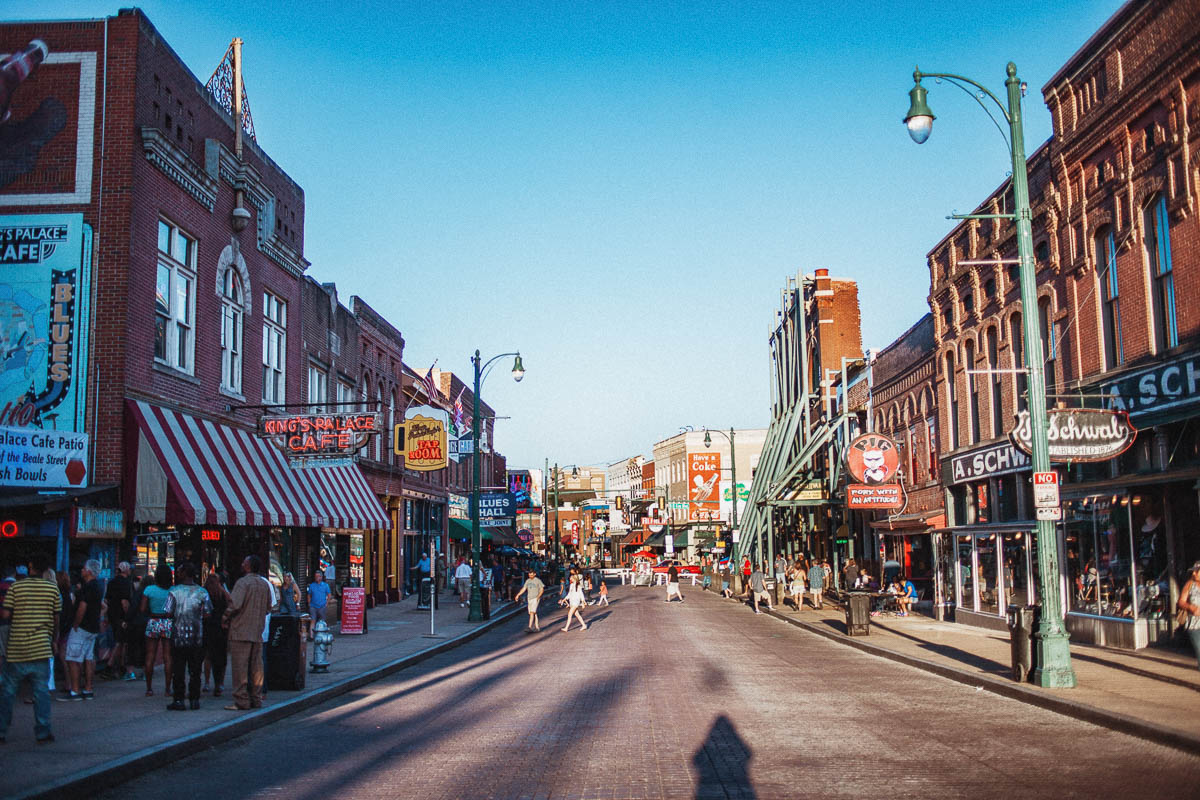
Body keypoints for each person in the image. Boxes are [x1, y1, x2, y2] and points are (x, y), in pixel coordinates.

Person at [0, 553, 61, 744]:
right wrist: (54, 640)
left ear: (31, 567)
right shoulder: (52, 588)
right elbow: (56, 618)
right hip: (41, 647)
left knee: (8, 691)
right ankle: (43, 732)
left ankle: (1, 731)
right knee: (41, 691)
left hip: (17, 647)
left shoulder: (16, 587)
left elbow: (5, 613)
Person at [223, 556, 272, 711]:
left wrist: (225, 617)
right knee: (256, 667)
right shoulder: (264, 584)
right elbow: (269, 607)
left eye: (244, 562)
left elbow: (234, 604)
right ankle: (256, 699)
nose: (242, 564)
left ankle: (241, 701)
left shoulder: (243, 583)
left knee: (240, 668)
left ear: (248, 566)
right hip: (257, 630)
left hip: (241, 631)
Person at [164, 563, 212, 710]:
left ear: (184, 573)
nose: (177, 574)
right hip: (196, 636)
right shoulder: (202, 592)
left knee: (178, 670)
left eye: (179, 571)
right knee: (195, 670)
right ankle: (194, 699)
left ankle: (179, 699)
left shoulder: (174, 591)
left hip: (178, 636)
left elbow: (168, 611)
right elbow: (208, 613)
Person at [61, 560, 102, 702]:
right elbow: (101, 606)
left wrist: (75, 624)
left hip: (82, 627)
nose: (82, 570)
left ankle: (75, 690)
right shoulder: (98, 586)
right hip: (93, 627)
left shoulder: (87, 587)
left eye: (84, 568)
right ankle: (88, 688)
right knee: (88, 658)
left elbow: (82, 607)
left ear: (89, 571)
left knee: (73, 658)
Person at [141, 567, 173, 698]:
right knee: (168, 656)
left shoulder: (149, 590)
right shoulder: (172, 590)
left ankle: (149, 688)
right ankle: (167, 689)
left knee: (150, 655)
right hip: (167, 621)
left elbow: (142, 608)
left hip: (154, 620)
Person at [103, 561, 134, 681]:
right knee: (120, 641)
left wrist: (106, 616)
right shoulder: (126, 583)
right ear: (125, 570)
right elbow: (125, 602)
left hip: (112, 615)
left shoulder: (112, 582)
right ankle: (110, 666)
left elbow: (106, 600)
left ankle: (119, 667)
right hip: (121, 616)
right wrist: (127, 617)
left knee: (119, 640)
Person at [202, 569, 230, 697]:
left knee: (208, 657)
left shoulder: (204, 593)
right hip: (221, 628)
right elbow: (231, 603)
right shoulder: (222, 594)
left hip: (207, 627)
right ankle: (220, 684)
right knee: (221, 657)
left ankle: (207, 682)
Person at [1177, 560, 1200, 672]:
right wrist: (1191, 607)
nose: (1194, 574)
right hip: (1194, 624)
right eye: (1193, 572)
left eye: (1197, 572)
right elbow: (1181, 601)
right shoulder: (1190, 584)